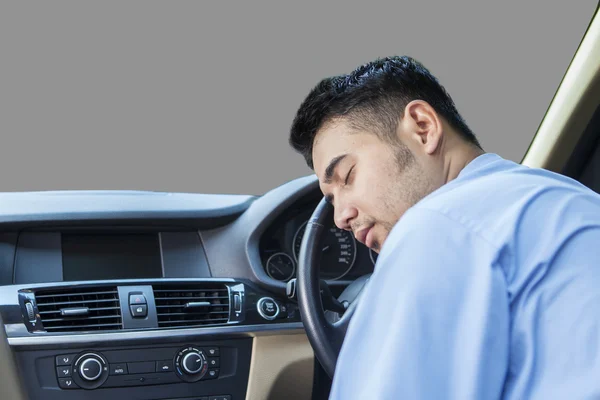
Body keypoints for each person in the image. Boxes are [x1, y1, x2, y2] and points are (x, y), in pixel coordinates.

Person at [288, 55, 600, 399]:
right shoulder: (573, 200)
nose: (340, 217)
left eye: (347, 176)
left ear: (422, 127)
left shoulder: (437, 226)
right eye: (330, 199)